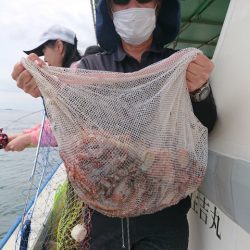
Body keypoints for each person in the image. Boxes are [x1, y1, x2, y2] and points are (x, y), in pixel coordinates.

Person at [11, 0, 217, 249]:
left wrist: (200, 90)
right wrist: (44, 89)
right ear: (108, 10)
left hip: (166, 220)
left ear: (159, 6)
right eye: (120, 1)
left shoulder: (178, 64)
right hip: (103, 220)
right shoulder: (90, 67)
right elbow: (71, 126)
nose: (132, 6)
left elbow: (206, 125)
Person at [5, 25, 103, 152]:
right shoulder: (68, 75)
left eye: (44, 51)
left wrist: (28, 139)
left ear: (59, 46)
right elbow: (58, 121)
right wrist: (21, 136)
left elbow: (68, 129)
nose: (44, 59)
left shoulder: (77, 73)